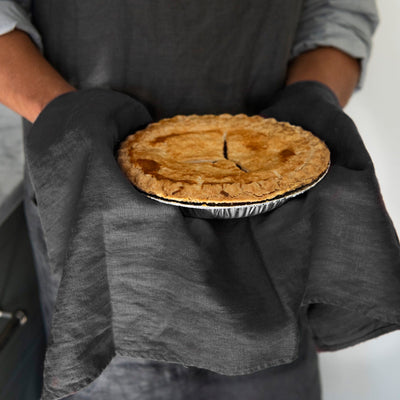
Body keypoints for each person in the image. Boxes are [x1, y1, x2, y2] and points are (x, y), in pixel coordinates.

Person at [3, 1, 399, 400]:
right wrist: (66, 115)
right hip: (103, 209)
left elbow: (339, 11)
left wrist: (312, 97)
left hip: (272, 222)